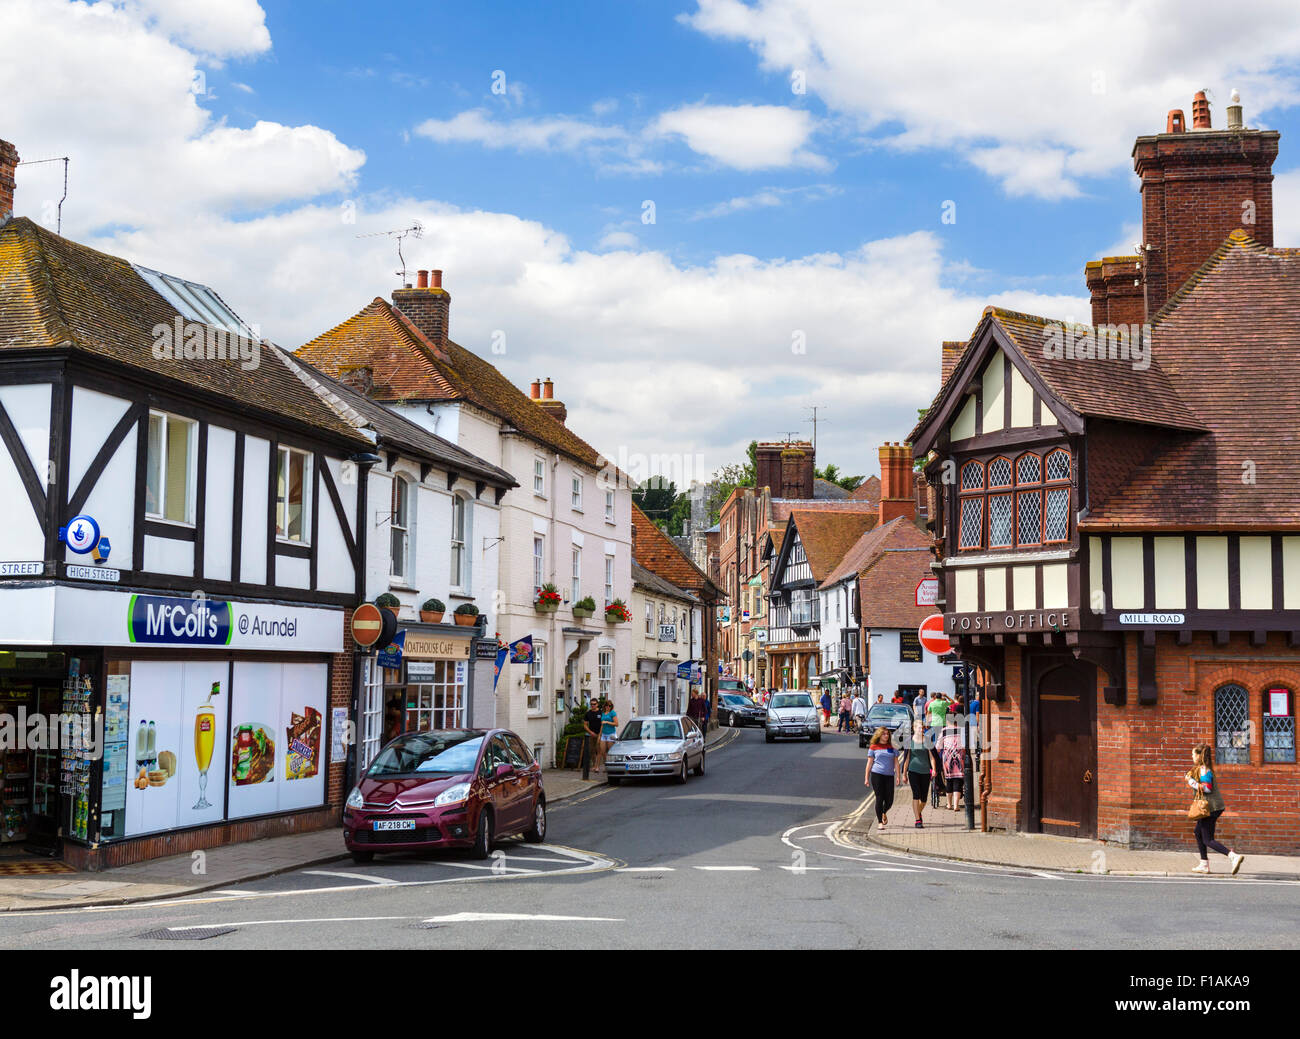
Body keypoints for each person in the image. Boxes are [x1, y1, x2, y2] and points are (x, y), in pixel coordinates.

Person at [1187, 744, 1245, 875]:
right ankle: (1204, 864)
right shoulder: (1201, 769)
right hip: (1212, 807)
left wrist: (1190, 782)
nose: (1191, 757)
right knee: (1198, 832)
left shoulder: (1204, 770)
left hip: (1210, 807)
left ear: (1198, 756)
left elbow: (1207, 788)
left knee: (1208, 839)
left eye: (1193, 754)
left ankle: (1233, 856)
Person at [864, 727, 897, 828]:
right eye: (884, 734)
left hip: (890, 776)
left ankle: (884, 812)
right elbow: (869, 763)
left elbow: (896, 762)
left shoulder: (892, 747)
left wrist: (899, 776)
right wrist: (866, 777)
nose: (886, 736)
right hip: (877, 774)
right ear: (879, 735)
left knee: (890, 800)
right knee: (879, 797)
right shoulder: (873, 747)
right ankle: (879, 822)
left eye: (887, 734)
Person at [903, 721, 932, 828]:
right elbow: (906, 758)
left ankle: (918, 812)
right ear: (914, 728)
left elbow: (932, 756)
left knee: (924, 799)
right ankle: (917, 820)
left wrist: (933, 769)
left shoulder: (927, 740)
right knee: (916, 794)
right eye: (919, 728)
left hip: (925, 771)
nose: (921, 730)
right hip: (913, 770)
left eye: (922, 728)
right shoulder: (909, 741)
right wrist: (904, 774)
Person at [940, 724, 965, 810]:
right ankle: (956, 805)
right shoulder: (962, 730)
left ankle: (949, 804)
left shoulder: (944, 731)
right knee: (958, 780)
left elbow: (937, 747)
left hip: (947, 758)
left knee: (949, 780)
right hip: (959, 757)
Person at [581, 699, 603, 779]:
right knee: (592, 750)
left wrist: (600, 734)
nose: (593, 705)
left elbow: (602, 724)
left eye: (594, 704)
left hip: (600, 734)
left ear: (597, 704)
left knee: (599, 750)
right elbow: (585, 725)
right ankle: (594, 765)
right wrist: (590, 732)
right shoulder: (588, 713)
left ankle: (597, 766)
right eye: (591, 704)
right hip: (592, 734)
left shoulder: (601, 713)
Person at [597, 699, 618, 772]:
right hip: (604, 734)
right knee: (602, 751)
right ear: (605, 706)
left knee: (610, 751)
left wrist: (607, 722)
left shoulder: (613, 713)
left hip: (611, 734)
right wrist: (599, 735)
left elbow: (616, 724)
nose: (608, 707)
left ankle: (611, 767)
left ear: (611, 706)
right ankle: (607, 765)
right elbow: (602, 725)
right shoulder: (603, 713)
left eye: (610, 706)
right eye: (607, 705)